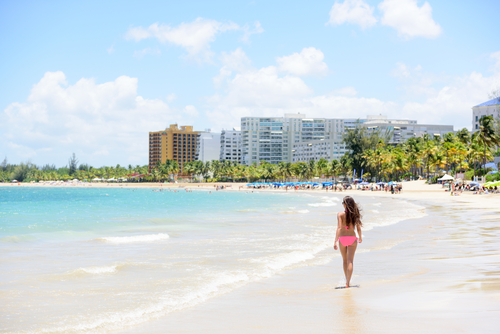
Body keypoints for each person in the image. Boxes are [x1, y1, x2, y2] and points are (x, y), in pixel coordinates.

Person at [334, 196, 363, 288]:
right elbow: (358, 228)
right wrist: (360, 237)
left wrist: (335, 241)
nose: (342, 204)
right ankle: (347, 283)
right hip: (352, 238)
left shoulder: (340, 214)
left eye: (343, 202)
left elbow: (339, 228)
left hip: (342, 239)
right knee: (350, 261)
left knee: (345, 260)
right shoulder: (355, 214)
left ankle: (347, 279)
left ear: (346, 204)